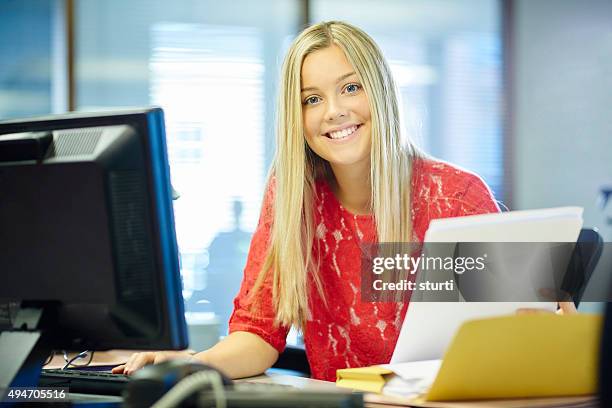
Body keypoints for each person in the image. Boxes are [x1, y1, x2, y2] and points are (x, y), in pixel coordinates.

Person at [113, 21, 576, 381]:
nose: (334, 110)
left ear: (381, 93)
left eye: (350, 88)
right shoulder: (295, 196)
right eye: (311, 98)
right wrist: (192, 366)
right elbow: (257, 335)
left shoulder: (454, 195)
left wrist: (544, 320)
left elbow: (518, 332)